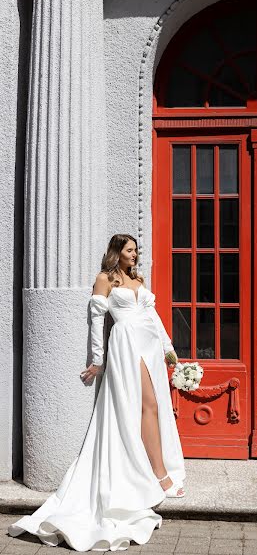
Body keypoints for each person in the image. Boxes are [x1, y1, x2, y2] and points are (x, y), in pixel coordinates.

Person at [8, 233, 186, 551]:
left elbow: (153, 316)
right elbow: (96, 320)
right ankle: (159, 475)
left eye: (136, 250)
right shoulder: (105, 279)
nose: (135, 255)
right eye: (130, 250)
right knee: (144, 405)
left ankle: (159, 469)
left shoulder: (137, 278)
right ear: (117, 252)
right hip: (126, 345)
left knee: (154, 407)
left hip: (149, 344)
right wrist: (97, 360)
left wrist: (169, 348)